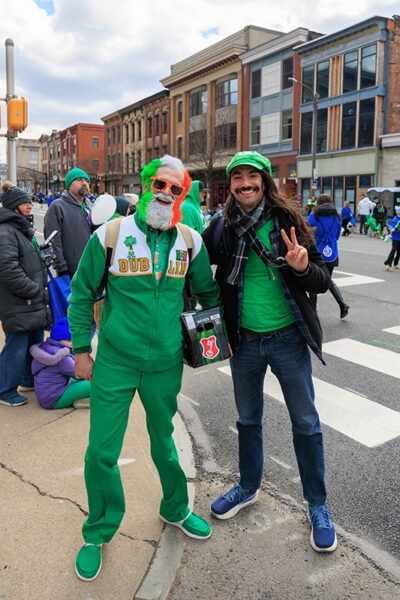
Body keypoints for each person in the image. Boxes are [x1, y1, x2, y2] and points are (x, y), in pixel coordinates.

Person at [68, 155, 222, 582]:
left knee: (164, 442)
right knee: (101, 452)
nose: (166, 193)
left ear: (182, 195)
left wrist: (212, 338)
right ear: (147, 182)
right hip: (116, 362)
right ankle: (98, 531)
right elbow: (80, 295)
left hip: (165, 364)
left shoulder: (190, 240)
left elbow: (208, 294)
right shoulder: (112, 236)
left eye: (176, 189)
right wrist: (82, 350)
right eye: (160, 184)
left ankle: (175, 508)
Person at [202, 151, 337, 554]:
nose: (245, 184)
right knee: (248, 420)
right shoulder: (220, 228)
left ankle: (317, 505)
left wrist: (300, 267)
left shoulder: (289, 221)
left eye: (252, 177)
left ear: (264, 181)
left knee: (306, 423)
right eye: (238, 178)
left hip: (287, 339)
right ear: (231, 185)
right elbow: (194, 270)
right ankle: (247, 486)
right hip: (243, 341)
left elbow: (322, 278)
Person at [0, 182, 52, 407]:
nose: (30, 206)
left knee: (33, 343)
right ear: (14, 207)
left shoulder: (19, 229)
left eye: (30, 201)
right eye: (24, 202)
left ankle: (26, 380)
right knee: (16, 347)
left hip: (31, 301)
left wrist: (44, 257)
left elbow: (25, 260)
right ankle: (5, 390)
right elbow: (8, 269)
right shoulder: (5, 231)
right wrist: (33, 289)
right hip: (19, 301)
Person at [30, 317, 91, 409]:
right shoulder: (62, 356)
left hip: (46, 396)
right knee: (93, 383)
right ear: (58, 339)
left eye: (74, 340)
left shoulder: (48, 348)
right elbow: (81, 373)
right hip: (54, 400)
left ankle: (81, 399)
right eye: (68, 340)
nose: (72, 344)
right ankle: (91, 399)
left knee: (78, 380)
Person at [44, 167, 92, 278]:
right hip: (71, 271)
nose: (84, 183)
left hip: (91, 268)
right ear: (69, 185)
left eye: (86, 180)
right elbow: (53, 240)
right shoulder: (57, 206)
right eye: (79, 179)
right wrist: (61, 267)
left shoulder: (90, 206)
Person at [307, 195, 349, 318]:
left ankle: (313, 311)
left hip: (317, 254)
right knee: (328, 281)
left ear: (318, 203)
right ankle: (342, 304)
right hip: (332, 254)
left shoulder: (313, 216)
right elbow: (336, 236)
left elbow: (307, 233)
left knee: (313, 281)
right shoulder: (337, 216)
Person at [181, 180, 207, 310]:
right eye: (202, 193)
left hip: (199, 254)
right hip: (190, 257)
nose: (204, 195)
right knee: (188, 292)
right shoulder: (186, 208)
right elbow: (187, 235)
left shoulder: (196, 208)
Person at [384, 206, 400, 271]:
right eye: (399, 213)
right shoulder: (395, 220)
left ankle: (396, 263)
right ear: (397, 213)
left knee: (399, 252)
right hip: (395, 238)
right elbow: (391, 226)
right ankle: (387, 263)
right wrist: (392, 229)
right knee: (393, 250)